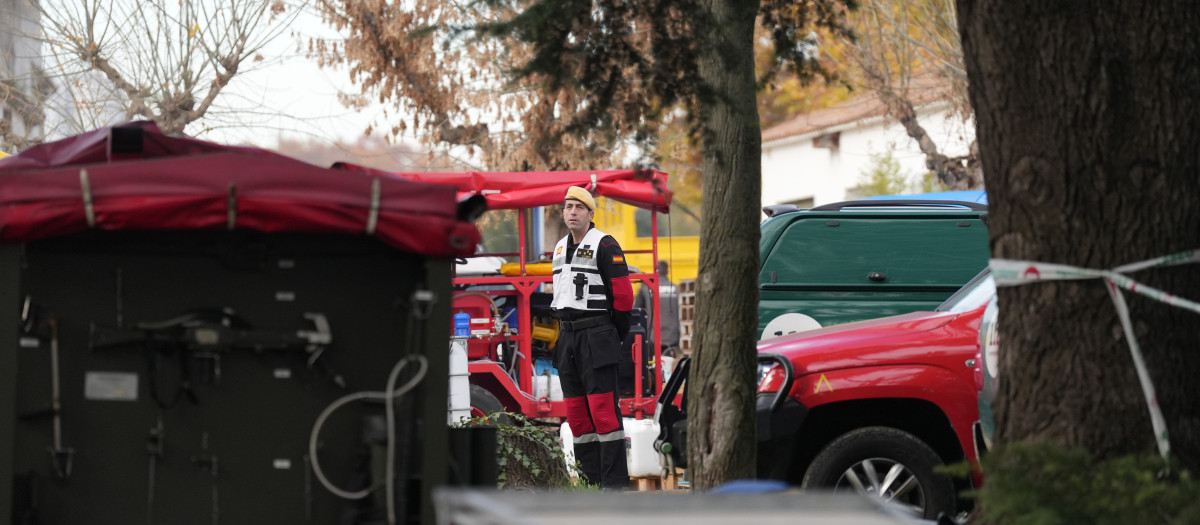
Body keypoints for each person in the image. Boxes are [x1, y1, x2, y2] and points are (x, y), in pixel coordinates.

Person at [551, 186, 632, 489]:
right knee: (576, 415)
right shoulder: (559, 248)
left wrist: (612, 334)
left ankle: (614, 485)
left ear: (590, 214)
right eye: (568, 207)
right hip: (568, 337)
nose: (572, 212)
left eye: (579, 208)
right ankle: (589, 482)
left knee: (603, 412)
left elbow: (623, 298)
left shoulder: (605, 245)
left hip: (597, 334)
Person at [633, 260, 680, 356]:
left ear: (655, 271)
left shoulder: (646, 288)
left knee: (654, 366)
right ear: (667, 271)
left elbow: (636, 311)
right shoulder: (677, 289)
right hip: (673, 337)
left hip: (653, 338)